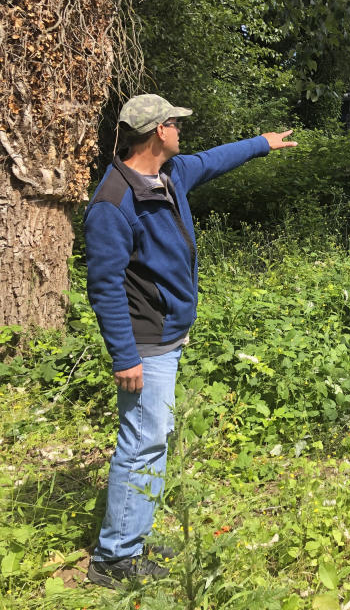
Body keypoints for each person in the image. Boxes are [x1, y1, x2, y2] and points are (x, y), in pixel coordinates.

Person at [83, 94, 296, 588]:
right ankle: (114, 558)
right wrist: (124, 356)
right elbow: (105, 287)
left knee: (153, 439)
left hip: (166, 335)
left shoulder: (170, 175)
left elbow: (214, 160)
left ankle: (133, 535)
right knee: (141, 443)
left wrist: (262, 143)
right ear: (159, 131)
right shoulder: (114, 203)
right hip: (145, 342)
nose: (181, 130)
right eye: (176, 123)